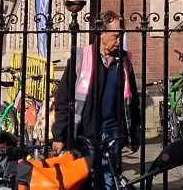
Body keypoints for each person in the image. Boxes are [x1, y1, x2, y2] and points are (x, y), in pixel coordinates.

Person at [51, 12, 142, 190]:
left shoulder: (124, 61)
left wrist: (134, 133)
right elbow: (63, 99)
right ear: (101, 32)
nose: (119, 40)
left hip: (113, 132)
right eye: (116, 35)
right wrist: (59, 135)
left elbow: (132, 100)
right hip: (86, 133)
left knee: (109, 182)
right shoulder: (80, 58)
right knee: (86, 181)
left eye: (121, 35)